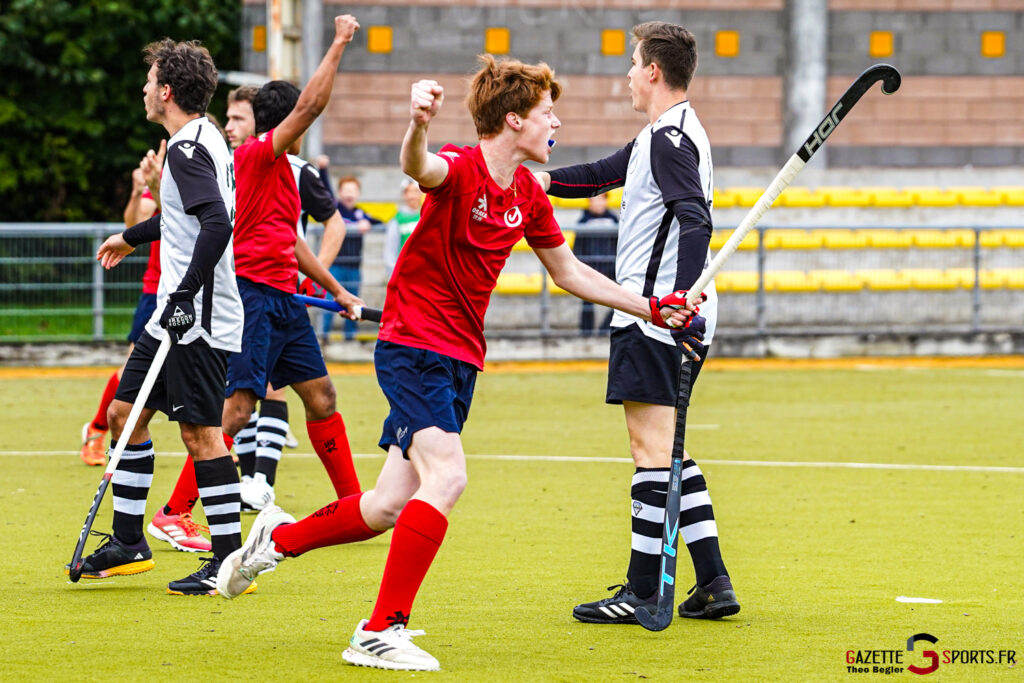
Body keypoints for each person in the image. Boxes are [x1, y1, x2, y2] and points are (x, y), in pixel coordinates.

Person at [216, 55, 698, 672]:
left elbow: (570, 272)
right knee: (448, 477)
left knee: (386, 505)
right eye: (549, 113)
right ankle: (379, 629)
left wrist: (653, 308)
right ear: (515, 119)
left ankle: (273, 542)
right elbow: (419, 168)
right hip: (413, 344)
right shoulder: (461, 167)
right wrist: (416, 122)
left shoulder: (526, 191)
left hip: (458, 359)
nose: (558, 124)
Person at [535, 21, 738, 623]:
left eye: (631, 64)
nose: (626, 74)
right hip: (670, 314)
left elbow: (694, 219)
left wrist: (682, 296)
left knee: (648, 450)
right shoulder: (666, 134)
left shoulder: (669, 139)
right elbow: (599, 174)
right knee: (667, 451)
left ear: (653, 70)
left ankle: (642, 590)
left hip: (656, 317)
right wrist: (537, 179)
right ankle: (715, 580)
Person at [78, 38, 244, 595]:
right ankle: (129, 542)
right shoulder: (198, 140)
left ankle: (228, 562)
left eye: (149, 81)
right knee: (124, 415)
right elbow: (184, 222)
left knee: (201, 434)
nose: (144, 89)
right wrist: (131, 235)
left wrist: (183, 298)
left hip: (192, 318)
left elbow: (217, 225)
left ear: (167, 91)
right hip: (173, 314)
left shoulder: (188, 148)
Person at [219, 15, 364, 517]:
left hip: (282, 298)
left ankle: (352, 504)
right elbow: (312, 104)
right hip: (252, 296)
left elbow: (292, 242)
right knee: (238, 410)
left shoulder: (284, 171)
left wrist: (336, 292)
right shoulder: (260, 155)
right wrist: (340, 40)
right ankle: (182, 508)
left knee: (321, 396)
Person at [322, 175, 381, 340]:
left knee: (354, 303)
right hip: (336, 265)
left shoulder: (360, 213)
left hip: (354, 267)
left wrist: (368, 225)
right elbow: (325, 192)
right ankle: (323, 336)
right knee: (330, 301)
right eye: (346, 190)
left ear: (358, 193)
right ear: (339, 193)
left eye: (353, 190)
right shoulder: (335, 209)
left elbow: (379, 222)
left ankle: (350, 338)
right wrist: (323, 169)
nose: (349, 194)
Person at [573, 193, 619, 335]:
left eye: (601, 200)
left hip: (610, 266)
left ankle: (605, 328)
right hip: (591, 268)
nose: (598, 203)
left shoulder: (613, 220)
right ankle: (586, 332)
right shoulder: (583, 221)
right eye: (595, 200)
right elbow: (578, 248)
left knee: (623, 297)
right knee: (587, 301)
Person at [383, 178, 421, 275]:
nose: (412, 196)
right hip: (404, 271)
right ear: (404, 195)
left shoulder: (424, 216)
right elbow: (391, 249)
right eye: (409, 192)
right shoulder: (397, 220)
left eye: (416, 191)